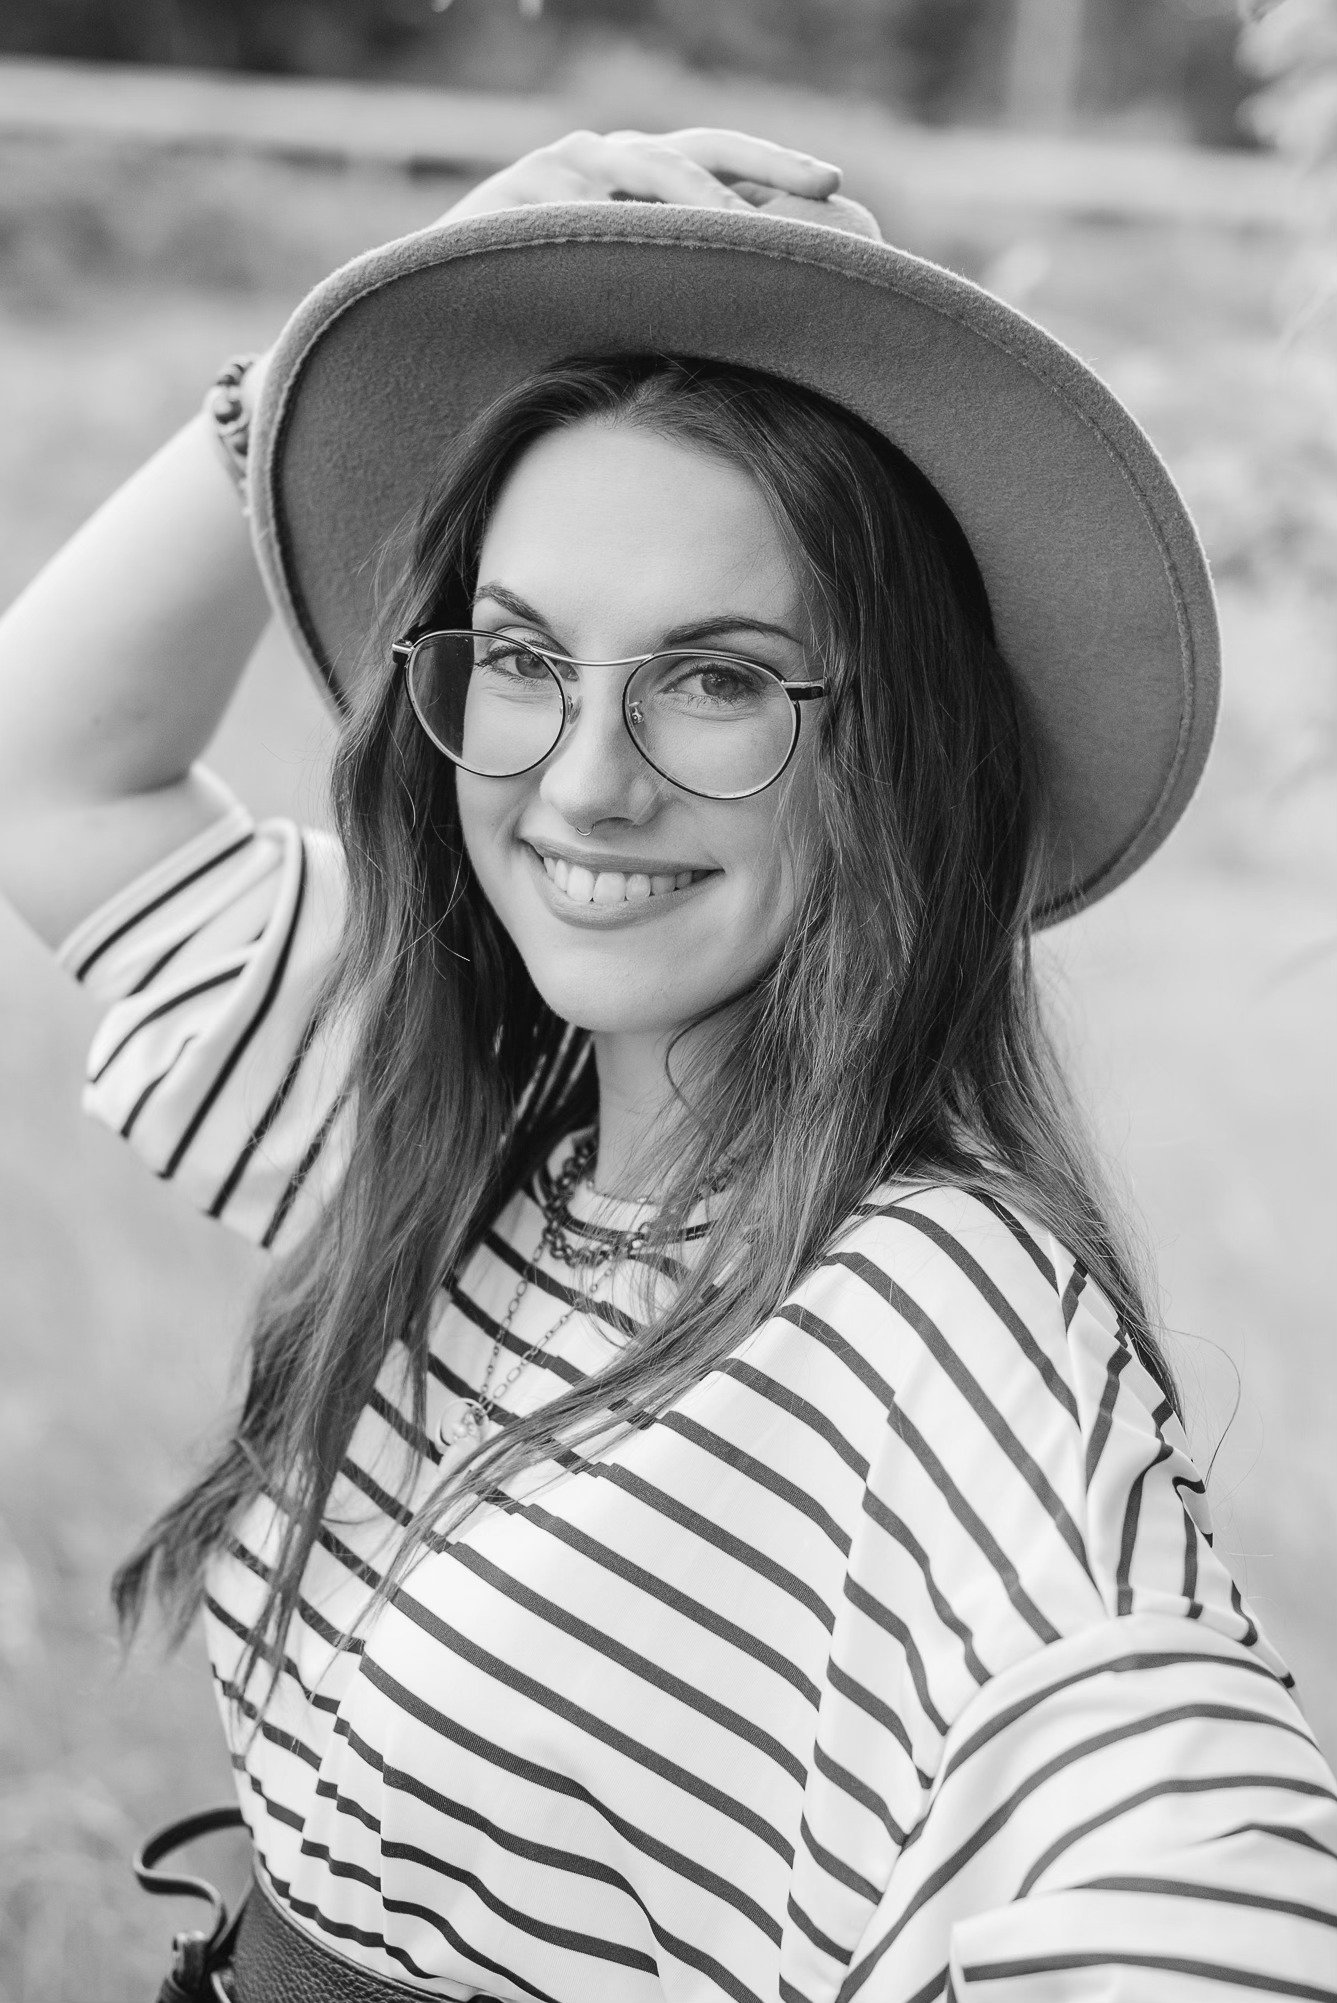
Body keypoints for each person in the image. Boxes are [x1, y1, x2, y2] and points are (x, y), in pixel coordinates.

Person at [0, 128, 1333, 2002]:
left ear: (900, 752)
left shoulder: (937, 1320)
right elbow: (50, 772)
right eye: (523, 657)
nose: (583, 781)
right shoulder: (461, 1133)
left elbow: (1214, 1904)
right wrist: (349, 337)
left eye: (716, 680)